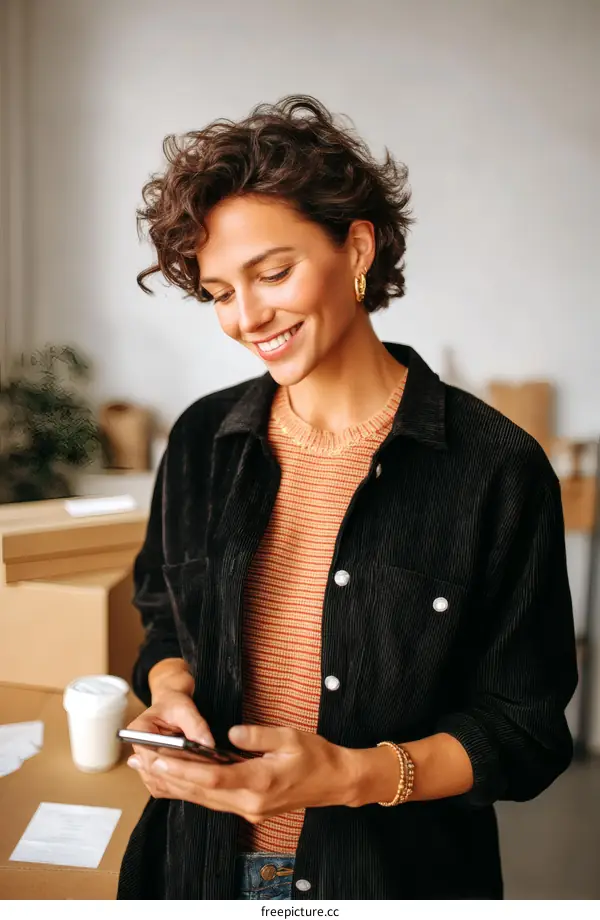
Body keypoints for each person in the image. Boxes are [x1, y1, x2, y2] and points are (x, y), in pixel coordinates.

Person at [117, 96, 578, 900]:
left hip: (389, 880)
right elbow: (164, 615)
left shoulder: (494, 469)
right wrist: (169, 693)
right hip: (193, 869)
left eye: (273, 272)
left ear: (357, 246)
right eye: (220, 291)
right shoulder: (200, 441)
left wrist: (352, 776)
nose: (247, 317)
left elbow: (524, 733)